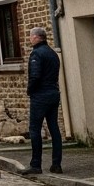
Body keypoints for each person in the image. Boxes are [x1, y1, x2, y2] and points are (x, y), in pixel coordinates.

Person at [22, 27, 63, 175]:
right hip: (53, 93)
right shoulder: (52, 54)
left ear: (36, 37)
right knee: (54, 129)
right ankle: (56, 164)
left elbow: (35, 76)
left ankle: (36, 165)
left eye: (31, 36)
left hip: (41, 95)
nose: (29, 39)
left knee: (34, 129)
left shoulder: (36, 54)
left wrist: (30, 90)